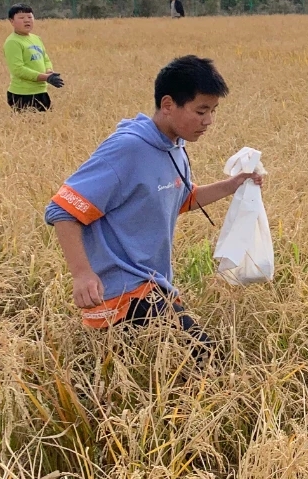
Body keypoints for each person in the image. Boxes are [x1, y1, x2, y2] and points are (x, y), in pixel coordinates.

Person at [43, 56, 263, 358]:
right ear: (169, 104)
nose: (208, 121)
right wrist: (82, 274)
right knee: (205, 359)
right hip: (124, 292)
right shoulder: (128, 149)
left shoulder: (175, 147)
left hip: (154, 285)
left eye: (213, 111)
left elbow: (180, 198)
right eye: (201, 111)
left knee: (165, 377)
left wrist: (233, 184)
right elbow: (63, 210)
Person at [4, 3, 62, 112]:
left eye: (30, 17)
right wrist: (46, 78)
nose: (27, 20)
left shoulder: (36, 39)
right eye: (21, 18)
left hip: (41, 91)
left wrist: (49, 71)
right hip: (22, 93)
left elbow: (45, 58)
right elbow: (18, 70)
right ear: (12, 21)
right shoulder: (13, 42)